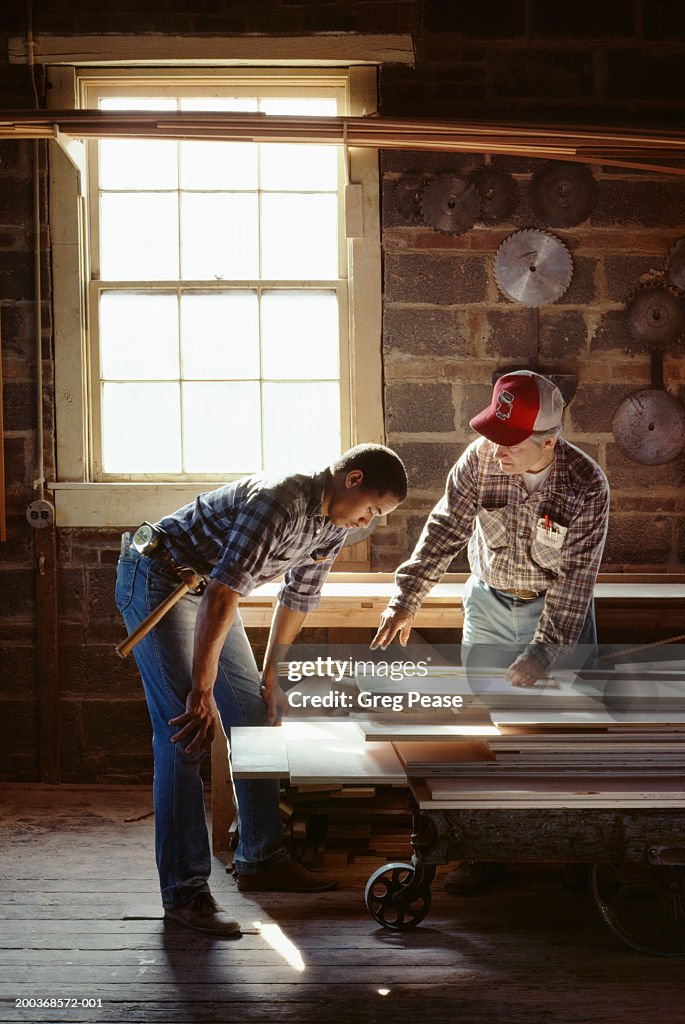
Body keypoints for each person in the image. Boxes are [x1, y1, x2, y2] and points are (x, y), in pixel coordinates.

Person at [116, 444, 408, 935]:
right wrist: (201, 690)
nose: (368, 523)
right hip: (159, 579)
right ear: (352, 480)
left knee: (254, 718)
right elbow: (224, 593)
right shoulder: (280, 498)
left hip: (207, 590)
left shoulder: (335, 523)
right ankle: (185, 893)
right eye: (372, 510)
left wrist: (271, 675)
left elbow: (298, 597)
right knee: (185, 732)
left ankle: (261, 856)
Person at [371, 371, 610, 892]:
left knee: (561, 734)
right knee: (484, 731)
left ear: (548, 442)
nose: (494, 447)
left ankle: (577, 855)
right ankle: (482, 851)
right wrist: (405, 598)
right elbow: (444, 529)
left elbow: (575, 582)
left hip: (556, 613)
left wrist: (543, 653)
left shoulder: (587, 485)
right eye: (493, 432)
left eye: (511, 441)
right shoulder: (480, 458)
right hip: (488, 601)